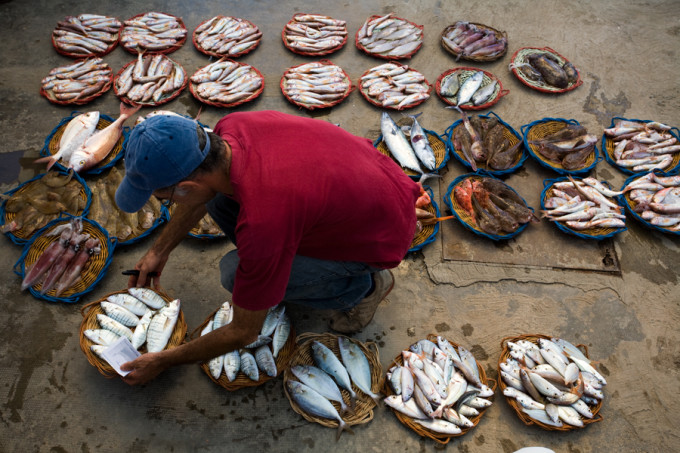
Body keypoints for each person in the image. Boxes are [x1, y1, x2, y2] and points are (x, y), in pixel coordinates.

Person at [115, 110, 420, 385]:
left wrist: (162, 360)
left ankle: (361, 290)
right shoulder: (232, 128)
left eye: (166, 198)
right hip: (373, 184)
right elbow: (203, 193)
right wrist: (159, 250)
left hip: (383, 237)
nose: (171, 203)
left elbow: (244, 332)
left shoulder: (264, 220)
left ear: (188, 187)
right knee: (221, 200)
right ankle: (285, 271)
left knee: (234, 274)